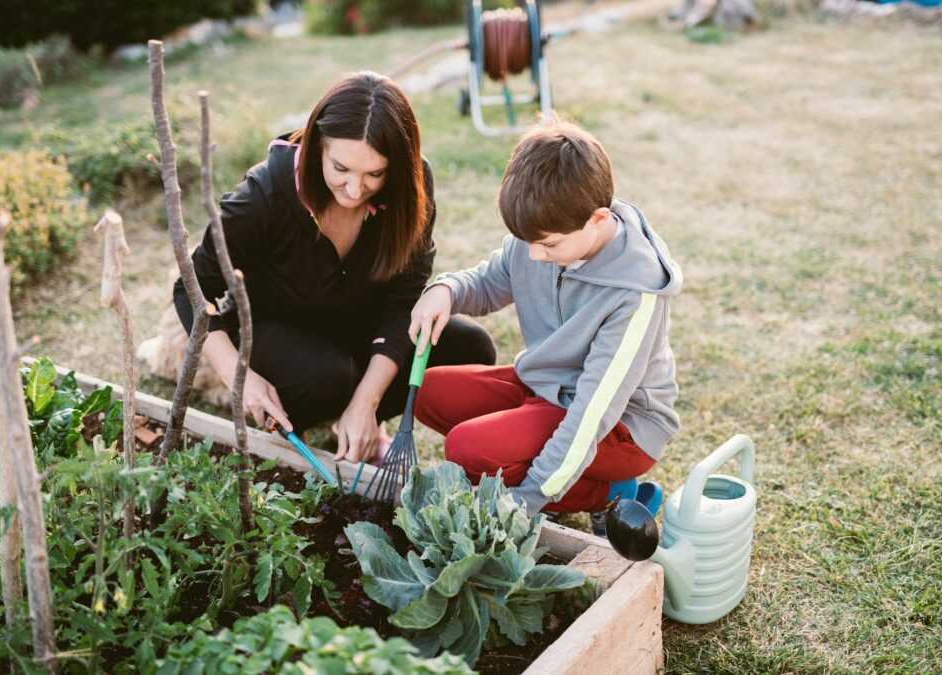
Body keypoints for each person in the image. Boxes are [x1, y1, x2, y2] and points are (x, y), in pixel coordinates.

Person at [173, 71, 496, 463]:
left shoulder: (412, 186)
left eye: (375, 173)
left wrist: (368, 401)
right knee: (327, 378)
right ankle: (304, 418)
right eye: (340, 169)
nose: (355, 190)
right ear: (317, 147)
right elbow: (191, 288)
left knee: (468, 347)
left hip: (361, 328)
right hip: (280, 336)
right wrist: (239, 378)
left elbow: (403, 298)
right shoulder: (264, 196)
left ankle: (360, 421)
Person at [408, 115, 682, 522]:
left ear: (598, 220)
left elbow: (592, 415)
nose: (535, 255)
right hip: (546, 387)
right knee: (427, 392)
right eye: (528, 242)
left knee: (466, 449)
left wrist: (528, 499)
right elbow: (489, 282)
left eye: (548, 245)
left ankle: (608, 492)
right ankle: (533, 457)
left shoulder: (634, 294)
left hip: (619, 427)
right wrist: (445, 289)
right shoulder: (544, 234)